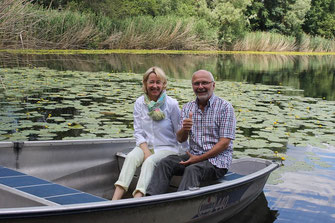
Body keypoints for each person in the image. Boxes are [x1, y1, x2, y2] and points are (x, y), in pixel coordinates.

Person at [146, 69, 236, 194]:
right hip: (193, 156)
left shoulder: (225, 107)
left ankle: (180, 205)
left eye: (204, 83)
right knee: (165, 163)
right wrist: (185, 129)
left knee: (192, 169)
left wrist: (198, 159)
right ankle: (151, 199)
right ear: (192, 86)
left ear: (213, 85)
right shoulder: (188, 107)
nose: (200, 87)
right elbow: (181, 139)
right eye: (196, 83)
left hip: (216, 162)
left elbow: (224, 143)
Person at [112, 66, 181, 200]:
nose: (154, 86)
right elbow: (138, 132)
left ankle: (137, 199)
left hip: (167, 148)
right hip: (146, 145)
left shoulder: (172, 104)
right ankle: (113, 201)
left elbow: (179, 132)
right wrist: (145, 151)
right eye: (151, 82)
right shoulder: (139, 103)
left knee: (149, 162)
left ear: (163, 84)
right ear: (145, 83)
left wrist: (185, 152)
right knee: (131, 157)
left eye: (158, 82)